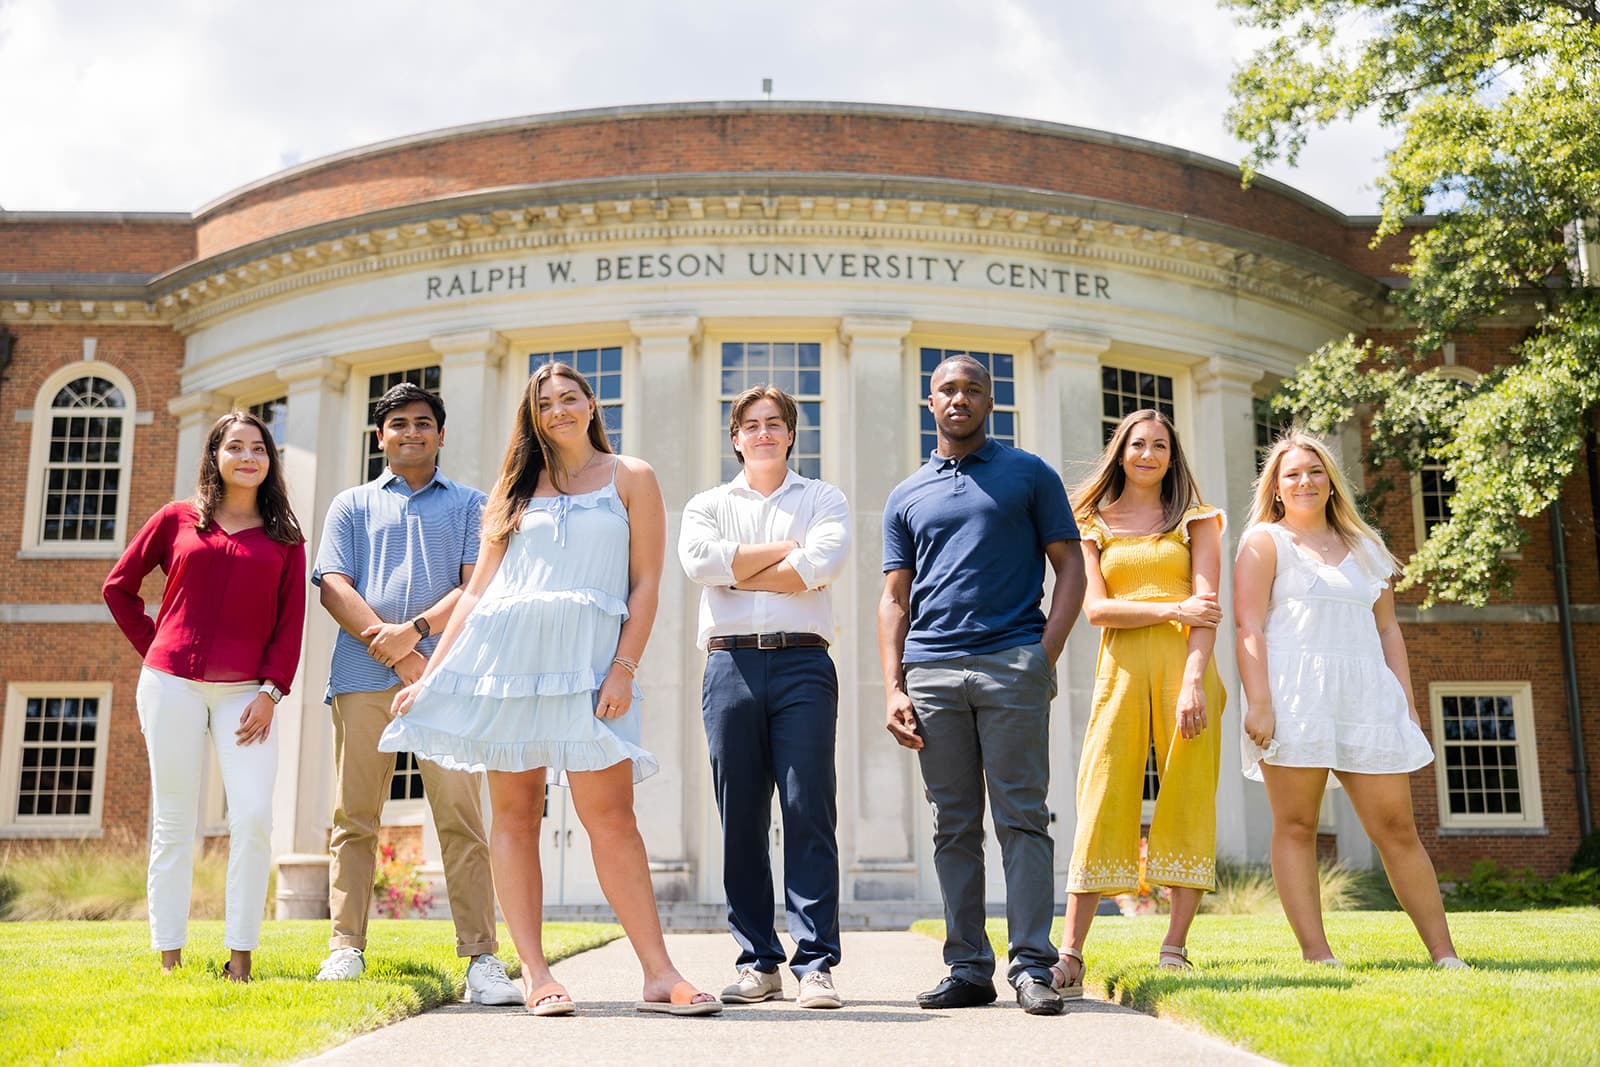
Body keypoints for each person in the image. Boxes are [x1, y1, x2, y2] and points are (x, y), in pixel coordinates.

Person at [378, 362, 721, 1016]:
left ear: (592, 403)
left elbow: (646, 582)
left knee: (612, 817)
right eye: (546, 403)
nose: (560, 409)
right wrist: (435, 671)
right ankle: (535, 972)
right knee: (514, 814)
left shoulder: (632, 477)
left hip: (591, 666)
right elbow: (479, 590)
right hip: (507, 662)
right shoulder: (511, 489)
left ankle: (658, 971)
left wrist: (624, 665)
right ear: (533, 417)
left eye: (570, 397)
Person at [879, 354, 1085, 1016]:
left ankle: (1033, 965)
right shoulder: (907, 493)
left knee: (1023, 817)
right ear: (929, 402)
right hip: (933, 671)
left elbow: (1071, 567)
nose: (959, 397)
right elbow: (893, 599)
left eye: (972, 388)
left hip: (1011, 664)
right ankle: (968, 967)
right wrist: (893, 684)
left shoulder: (1029, 474)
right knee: (954, 825)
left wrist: (1042, 656)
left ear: (989, 400)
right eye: (947, 389)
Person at [310, 382, 520, 1004]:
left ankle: (482, 960)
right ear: (381, 436)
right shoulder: (350, 504)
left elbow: (473, 586)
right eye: (398, 423)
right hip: (360, 679)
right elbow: (332, 586)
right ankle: (345, 948)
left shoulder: (469, 504)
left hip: (446, 681)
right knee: (353, 819)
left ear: (441, 434)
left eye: (423, 422)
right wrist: (396, 652)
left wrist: (418, 639)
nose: (411, 431)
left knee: (462, 820)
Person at [1234, 430, 1467, 968]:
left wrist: (1404, 703)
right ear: (1275, 487)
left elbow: (1388, 631)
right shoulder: (1264, 542)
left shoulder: (1368, 548)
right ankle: (1318, 955)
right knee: (1296, 826)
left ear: (1331, 481)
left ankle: (1445, 954)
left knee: (1396, 828)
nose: (1305, 481)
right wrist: (1260, 701)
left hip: (1366, 700)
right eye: (1291, 474)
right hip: (1295, 698)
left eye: (1314, 471)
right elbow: (1249, 625)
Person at [103, 411, 306, 982]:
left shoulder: (285, 538)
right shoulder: (176, 519)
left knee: (254, 815)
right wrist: (155, 649)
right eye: (235, 447)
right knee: (174, 820)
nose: (248, 457)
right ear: (215, 455)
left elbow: (291, 624)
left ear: (271, 461)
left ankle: (239, 957)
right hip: (171, 687)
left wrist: (271, 691)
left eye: (259, 449)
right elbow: (118, 588)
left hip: (248, 695)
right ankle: (170, 955)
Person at [679, 385, 850, 1010]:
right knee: (741, 817)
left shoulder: (823, 498)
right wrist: (787, 551)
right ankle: (758, 961)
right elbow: (700, 566)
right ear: (735, 437)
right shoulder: (707, 504)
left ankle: (815, 965)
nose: (763, 434)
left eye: (774, 423)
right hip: (730, 666)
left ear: (791, 433)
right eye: (751, 425)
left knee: (809, 810)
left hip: (804, 661)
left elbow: (821, 565)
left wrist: (739, 565)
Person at [1057, 409, 1226, 993]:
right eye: (1138, 445)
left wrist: (1196, 680)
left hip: (1187, 670)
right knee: (1101, 791)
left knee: (1186, 797)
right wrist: (1171, 608)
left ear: (1172, 456)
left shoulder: (1197, 519)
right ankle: (1070, 955)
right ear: (1120, 453)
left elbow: (1210, 607)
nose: (1149, 454)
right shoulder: (1091, 521)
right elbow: (1097, 610)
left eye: (1160, 445)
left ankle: (1174, 946)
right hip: (1119, 671)